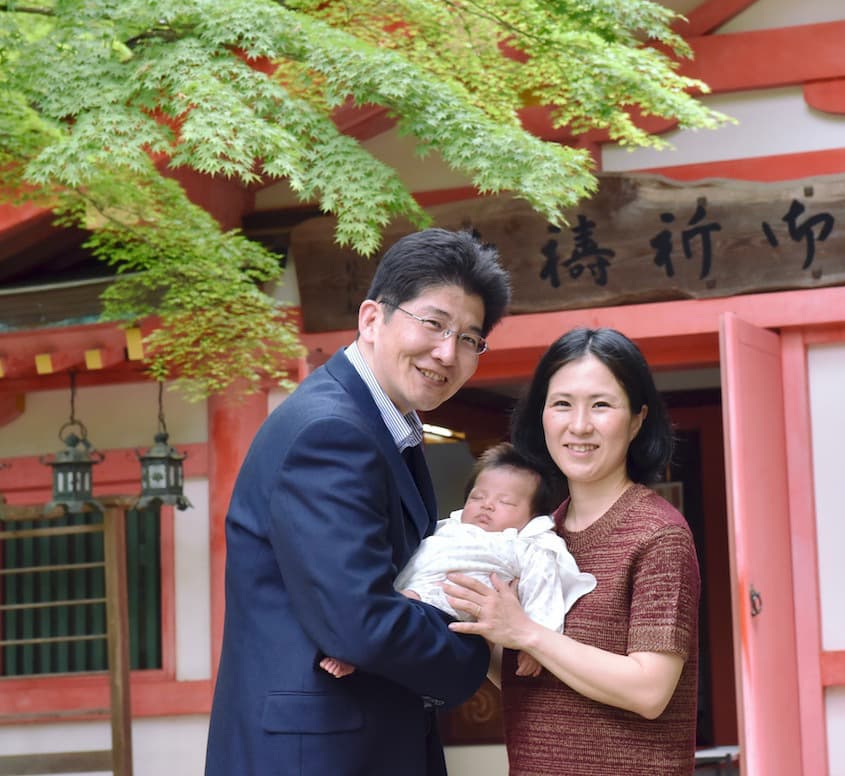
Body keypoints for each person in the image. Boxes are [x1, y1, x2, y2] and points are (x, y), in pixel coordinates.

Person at [205, 228, 511, 776]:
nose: (447, 352)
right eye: (434, 323)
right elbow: (361, 623)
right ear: (373, 318)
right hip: (319, 754)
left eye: (470, 338)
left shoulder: (382, 427)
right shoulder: (331, 432)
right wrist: (479, 646)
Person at [443, 327, 701, 776]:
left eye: (601, 405)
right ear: (540, 416)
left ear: (637, 419)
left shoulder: (659, 534)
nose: (579, 425)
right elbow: (531, 679)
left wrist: (526, 632)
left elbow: (649, 690)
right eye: (562, 403)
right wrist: (485, 623)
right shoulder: (540, 534)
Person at [318, 442, 595, 680]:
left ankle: (356, 653)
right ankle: (353, 648)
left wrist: (537, 642)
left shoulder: (527, 544)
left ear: (533, 519)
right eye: (478, 497)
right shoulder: (446, 527)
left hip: (450, 607)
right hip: (410, 591)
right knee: (383, 608)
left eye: (506, 502)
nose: (487, 505)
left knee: (399, 619)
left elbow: (543, 588)